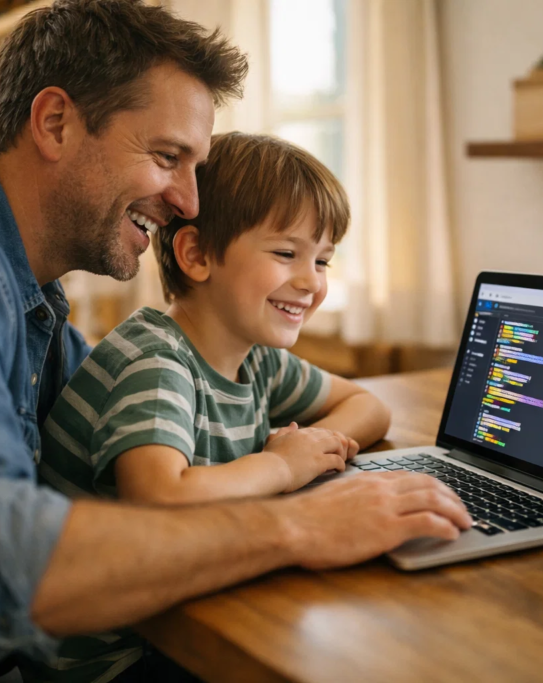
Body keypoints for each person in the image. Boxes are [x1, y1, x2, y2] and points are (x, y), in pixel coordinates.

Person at [0, 2, 471, 681]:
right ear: (55, 122)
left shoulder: (18, 283)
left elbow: (117, 425)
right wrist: (298, 526)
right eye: (169, 156)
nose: (191, 203)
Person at [28, 132, 390, 680]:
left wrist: (316, 446)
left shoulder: (255, 359)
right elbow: (159, 496)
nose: (310, 282)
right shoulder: (157, 360)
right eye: (286, 253)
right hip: (114, 658)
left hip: (174, 610)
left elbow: (368, 406)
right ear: (196, 255)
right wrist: (282, 466)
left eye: (323, 261)